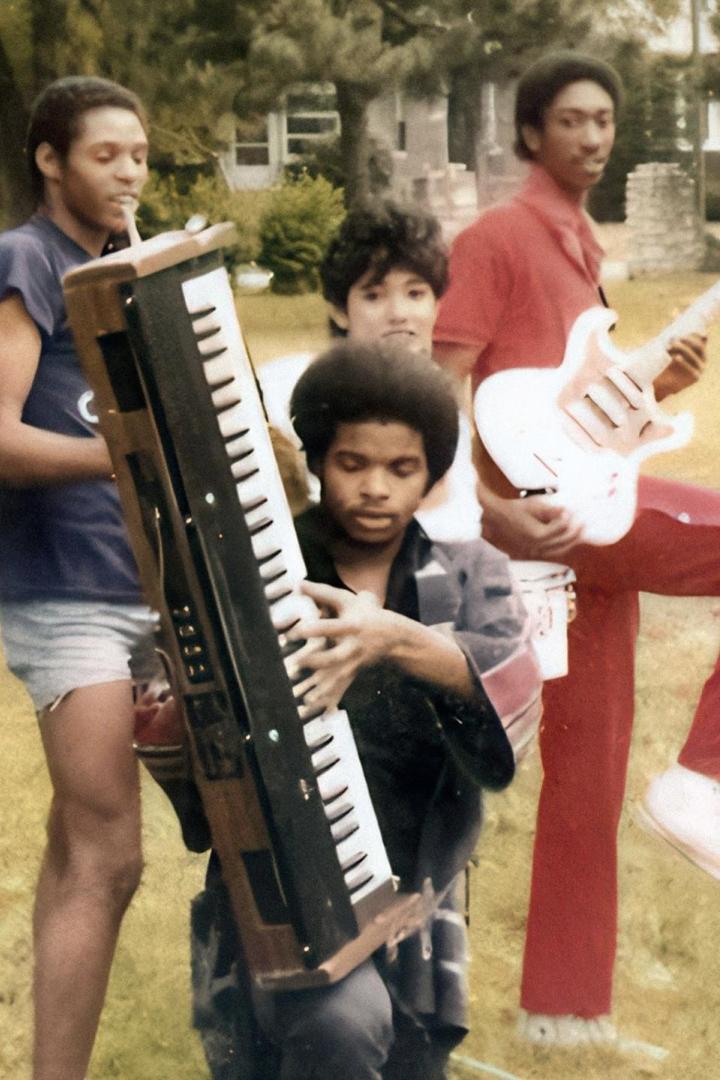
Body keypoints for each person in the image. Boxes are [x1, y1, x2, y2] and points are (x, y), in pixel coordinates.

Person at [433, 50, 720, 1046]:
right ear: (529, 135)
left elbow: (563, 405)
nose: (592, 137)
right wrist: (489, 511)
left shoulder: (578, 245)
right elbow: (433, 401)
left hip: (580, 505)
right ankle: (703, 778)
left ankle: (564, 1014)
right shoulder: (499, 238)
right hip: (546, 521)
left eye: (604, 120)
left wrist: (660, 388)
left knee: (588, 761)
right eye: (571, 122)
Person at [190, 339, 535, 1079]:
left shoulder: (469, 574)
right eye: (353, 464)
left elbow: (515, 687)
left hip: (414, 892)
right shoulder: (262, 573)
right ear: (316, 462)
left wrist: (392, 639)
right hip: (282, 891)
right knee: (340, 1031)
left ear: (432, 477)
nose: (376, 487)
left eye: (401, 468)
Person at [0, 76, 155, 1080]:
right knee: (111, 854)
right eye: (107, 155)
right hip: (65, 592)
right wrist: (129, 456)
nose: (131, 173)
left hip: (141, 583)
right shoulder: (27, 259)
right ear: (51, 161)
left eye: (140, 155)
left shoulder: (122, 269)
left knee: (78, 849)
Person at [258, 200, 482, 542]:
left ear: (437, 306)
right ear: (339, 311)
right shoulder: (281, 389)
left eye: (415, 293)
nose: (398, 313)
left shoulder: (449, 418)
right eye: (373, 296)